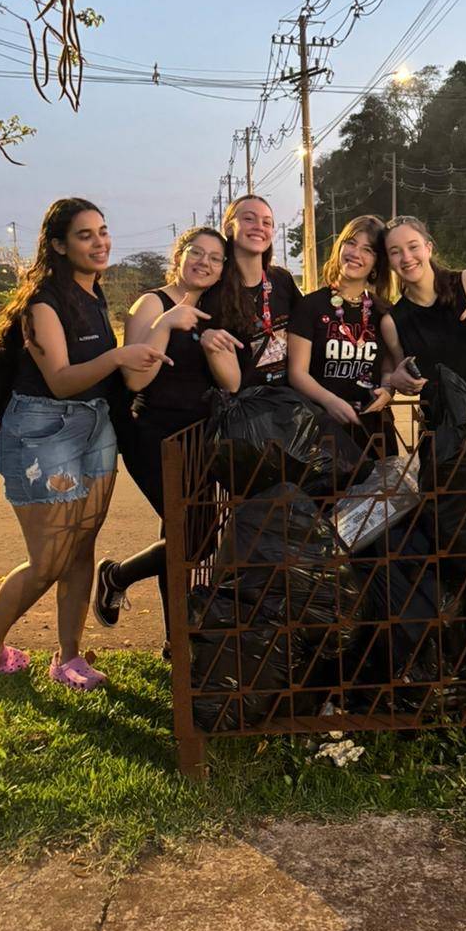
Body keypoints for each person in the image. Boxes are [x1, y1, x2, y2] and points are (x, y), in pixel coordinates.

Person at [0, 198, 169, 691]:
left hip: (94, 426)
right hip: (43, 430)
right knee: (49, 559)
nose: (99, 242)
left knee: (81, 548)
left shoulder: (92, 294)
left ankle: (69, 657)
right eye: (85, 235)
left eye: (103, 231)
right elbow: (63, 380)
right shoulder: (42, 304)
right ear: (58, 245)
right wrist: (119, 356)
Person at [93, 227, 238, 651]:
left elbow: (230, 383)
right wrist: (165, 323)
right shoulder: (151, 303)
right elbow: (136, 376)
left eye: (215, 258)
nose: (205, 263)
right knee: (190, 533)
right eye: (197, 253)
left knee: (187, 533)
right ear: (179, 255)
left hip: (199, 436)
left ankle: (174, 639)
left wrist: (214, 346)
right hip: (152, 433)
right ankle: (119, 579)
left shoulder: (214, 309)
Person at [287, 215, 399, 451]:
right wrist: (330, 402)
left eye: (367, 249)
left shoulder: (384, 312)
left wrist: (388, 389)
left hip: (374, 431)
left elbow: (389, 366)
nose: (356, 253)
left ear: (377, 263)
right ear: (339, 247)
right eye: (351, 243)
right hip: (322, 432)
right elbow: (297, 373)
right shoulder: (310, 306)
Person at [382, 215, 466, 402]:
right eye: (395, 252)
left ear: (428, 248)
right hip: (440, 425)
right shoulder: (393, 322)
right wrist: (396, 380)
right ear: (389, 261)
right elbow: (410, 382)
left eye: (413, 247)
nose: (406, 257)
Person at [199, 194, 302, 388]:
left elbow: (307, 328)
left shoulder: (282, 280)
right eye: (248, 219)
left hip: (290, 399)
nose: (259, 227)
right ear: (229, 228)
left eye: (267, 222)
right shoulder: (213, 292)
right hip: (246, 407)